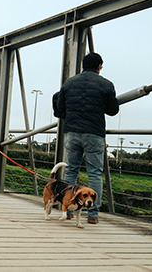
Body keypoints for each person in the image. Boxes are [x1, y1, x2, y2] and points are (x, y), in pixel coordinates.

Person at [53, 52, 119, 224]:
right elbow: (113, 110)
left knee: (71, 170)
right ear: (99, 67)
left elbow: (60, 107)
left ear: (83, 65)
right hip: (94, 132)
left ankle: (67, 209)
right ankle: (93, 214)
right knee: (95, 173)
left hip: (72, 131)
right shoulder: (106, 84)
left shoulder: (69, 83)